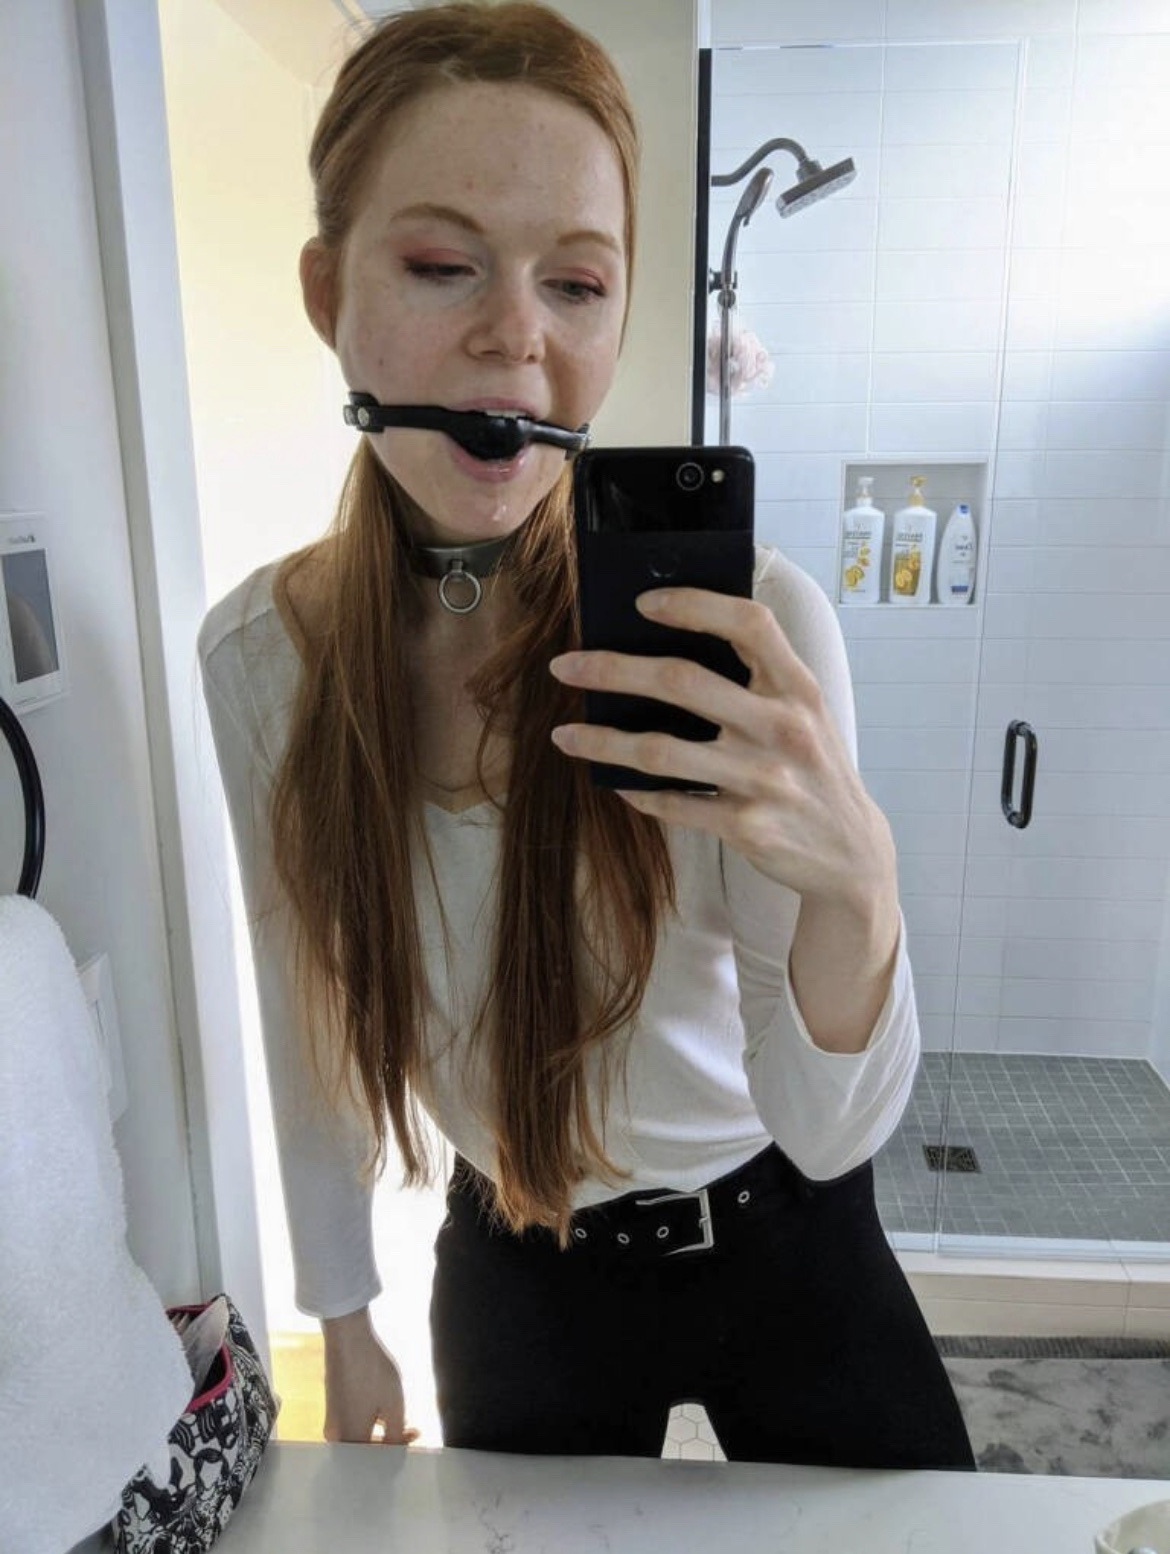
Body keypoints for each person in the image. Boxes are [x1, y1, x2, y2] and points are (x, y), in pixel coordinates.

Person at [199, 0, 974, 1470]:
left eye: (577, 283)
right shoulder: (262, 662)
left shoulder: (755, 622)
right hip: (521, 1265)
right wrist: (340, 1311)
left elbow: (826, 1132)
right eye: (441, 266)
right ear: (326, 289)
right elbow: (306, 1006)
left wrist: (859, 885)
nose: (516, 336)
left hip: (783, 1232)